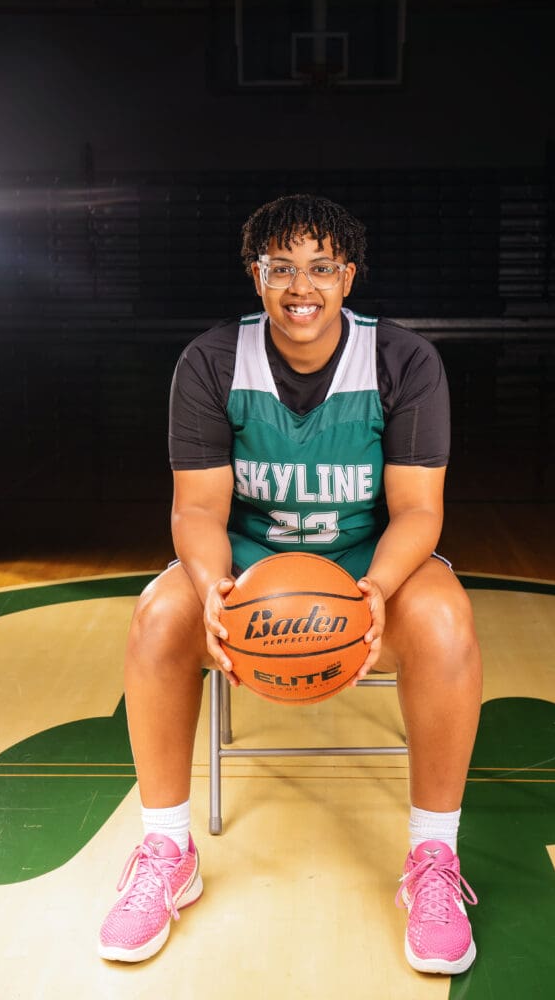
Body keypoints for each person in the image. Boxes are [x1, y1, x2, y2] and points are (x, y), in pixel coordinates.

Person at [98, 194, 483, 975]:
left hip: (368, 569)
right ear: (256, 277)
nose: (299, 286)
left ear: (347, 277)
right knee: (155, 618)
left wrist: (373, 589)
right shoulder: (211, 361)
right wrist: (213, 588)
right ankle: (168, 850)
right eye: (280, 268)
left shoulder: (403, 360)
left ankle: (432, 861)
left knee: (445, 623)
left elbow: (416, 510)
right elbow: (197, 507)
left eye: (319, 267)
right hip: (249, 571)